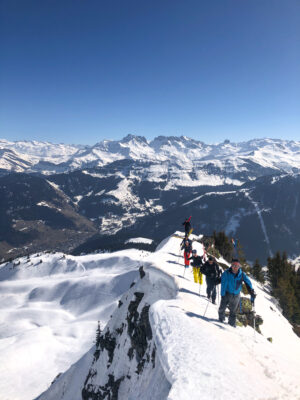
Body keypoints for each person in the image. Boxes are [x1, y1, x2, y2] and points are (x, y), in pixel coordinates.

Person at [218, 259, 256, 327]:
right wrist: (222, 293)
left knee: (233, 311)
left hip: (236, 295)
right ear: (231, 265)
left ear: (239, 267)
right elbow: (221, 281)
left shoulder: (242, 275)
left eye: (237, 266)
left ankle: (231, 324)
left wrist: (251, 291)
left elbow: (248, 282)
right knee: (222, 308)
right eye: (234, 265)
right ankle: (221, 319)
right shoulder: (226, 273)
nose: (235, 267)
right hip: (226, 293)